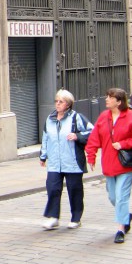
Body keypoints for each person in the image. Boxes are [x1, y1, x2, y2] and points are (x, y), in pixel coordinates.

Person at [85, 88, 132, 243]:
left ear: (119, 102)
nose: (106, 99)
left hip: (126, 165)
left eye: (110, 97)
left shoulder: (131, 117)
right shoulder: (103, 117)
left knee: (121, 197)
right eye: (107, 96)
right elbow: (94, 138)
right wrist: (91, 156)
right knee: (113, 197)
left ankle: (121, 229)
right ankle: (126, 216)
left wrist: (124, 143)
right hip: (109, 165)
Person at [39, 89, 93, 230]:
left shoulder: (76, 118)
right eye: (56, 101)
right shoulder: (50, 119)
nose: (57, 104)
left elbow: (92, 131)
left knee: (74, 190)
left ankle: (76, 218)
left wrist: (77, 136)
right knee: (52, 189)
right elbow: (46, 138)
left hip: (72, 161)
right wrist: (43, 156)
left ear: (68, 104)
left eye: (61, 102)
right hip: (55, 162)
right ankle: (53, 217)